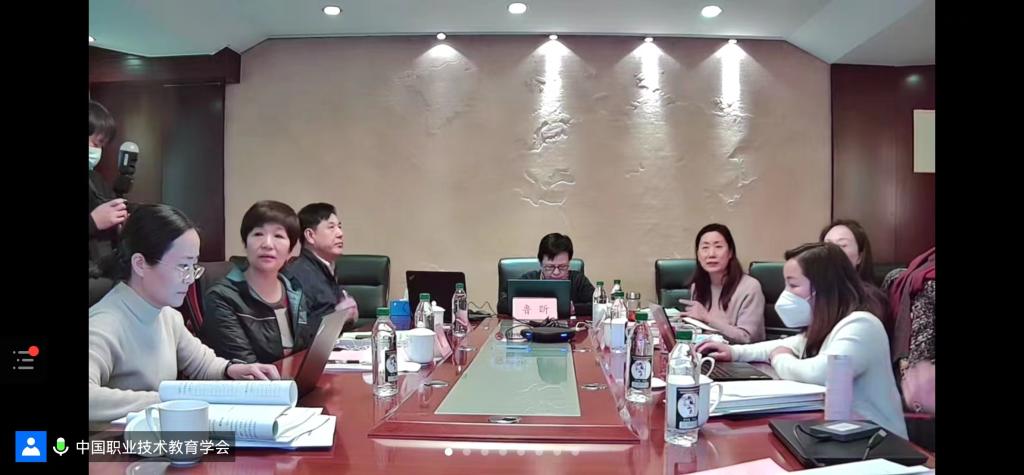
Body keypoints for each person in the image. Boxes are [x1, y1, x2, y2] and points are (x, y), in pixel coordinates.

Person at [89, 204, 280, 423]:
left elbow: (203, 364)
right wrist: (167, 400)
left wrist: (232, 370)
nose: (190, 279)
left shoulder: (167, 315)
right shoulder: (104, 324)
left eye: (193, 266)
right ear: (140, 264)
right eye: (182, 266)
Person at [698, 243, 907, 438]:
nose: (786, 294)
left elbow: (821, 373)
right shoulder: (830, 325)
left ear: (822, 287)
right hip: (844, 436)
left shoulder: (862, 325)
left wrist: (780, 359)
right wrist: (734, 352)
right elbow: (785, 345)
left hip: (879, 445)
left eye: (793, 285)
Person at [201, 200, 316, 364]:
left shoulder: (295, 292)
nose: (267, 244)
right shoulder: (222, 297)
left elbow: (305, 353)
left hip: (292, 379)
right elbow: (246, 367)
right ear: (245, 243)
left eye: (278, 236)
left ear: (291, 249)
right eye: (258, 234)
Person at [678, 224, 765, 344]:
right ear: (698, 255)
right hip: (704, 350)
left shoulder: (750, 287)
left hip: (737, 354)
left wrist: (708, 319)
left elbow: (747, 338)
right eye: (705, 247)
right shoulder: (698, 285)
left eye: (718, 246)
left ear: (730, 253)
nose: (711, 254)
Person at [283, 202, 359, 332]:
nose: (340, 233)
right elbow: (299, 330)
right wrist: (338, 316)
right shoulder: (297, 275)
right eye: (331, 227)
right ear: (310, 236)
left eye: (339, 227)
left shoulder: (327, 268)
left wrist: (350, 315)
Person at [497, 233, 595, 317]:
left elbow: (598, 305)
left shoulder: (577, 280)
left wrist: (574, 308)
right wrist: (540, 306)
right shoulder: (529, 279)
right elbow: (502, 305)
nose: (556, 272)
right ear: (541, 264)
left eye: (562, 267)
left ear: (569, 262)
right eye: (550, 267)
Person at [820, 219, 891, 326]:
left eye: (842, 245)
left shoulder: (870, 302)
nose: (831, 251)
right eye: (826, 245)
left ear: (860, 257)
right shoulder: (814, 292)